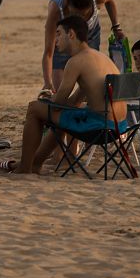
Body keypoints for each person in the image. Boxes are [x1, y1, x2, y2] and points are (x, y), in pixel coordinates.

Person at [18, 15, 127, 174]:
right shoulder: (100, 58)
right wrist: (53, 104)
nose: (56, 39)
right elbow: (74, 101)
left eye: (59, 33)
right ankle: (36, 163)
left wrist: (47, 100)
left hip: (99, 127)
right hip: (119, 126)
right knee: (64, 114)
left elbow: (58, 103)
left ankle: (24, 168)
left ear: (71, 34)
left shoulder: (76, 61)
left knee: (34, 108)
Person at [41, 0, 123, 95]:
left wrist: (116, 27)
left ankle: (86, 97)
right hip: (64, 31)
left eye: (85, 15)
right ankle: (62, 101)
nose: (80, 20)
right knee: (59, 65)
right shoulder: (56, 10)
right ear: (68, 5)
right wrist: (47, 83)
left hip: (91, 31)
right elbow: (49, 53)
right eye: (75, 14)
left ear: (93, 5)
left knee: (90, 65)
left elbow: (110, 0)